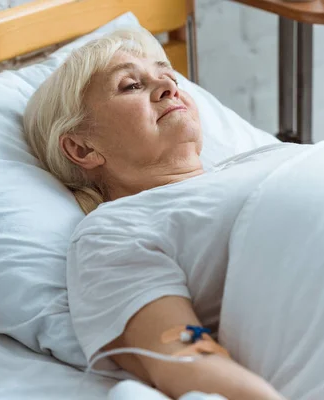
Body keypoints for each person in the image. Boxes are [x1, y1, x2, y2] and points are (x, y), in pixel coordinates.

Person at [24, 28, 292, 400]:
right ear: (82, 148)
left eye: (169, 75)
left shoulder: (260, 158)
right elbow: (187, 354)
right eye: (131, 85)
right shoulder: (116, 232)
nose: (169, 87)